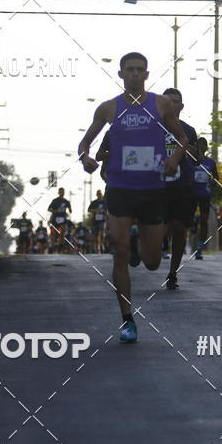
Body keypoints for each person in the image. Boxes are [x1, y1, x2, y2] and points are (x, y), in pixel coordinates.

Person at [78, 52, 188, 342]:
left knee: (152, 262)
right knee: (119, 252)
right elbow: (84, 144)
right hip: (120, 188)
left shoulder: (161, 104)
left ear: (147, 75)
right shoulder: (108, 108)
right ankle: (127, 319)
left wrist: (175, 159)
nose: (135, 74)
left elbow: (183, 139)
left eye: (140, 70)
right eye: (130, 70)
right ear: (121, 74)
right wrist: (87, 159)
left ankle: (143, 243)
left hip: (152, 189)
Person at [160, 88, 198, 289]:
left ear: (182, 106)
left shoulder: (189, 131)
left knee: (179, 229)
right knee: (161, 229)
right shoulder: (153, 127)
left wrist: (191, 152)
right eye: (169, 101)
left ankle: (173, 272)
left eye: (176, 102)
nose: (173, 105)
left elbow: (198, 159)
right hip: (158, 186)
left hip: (183, 186)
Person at [193, 137, 219, 259]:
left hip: (205, 194)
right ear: (196, 147)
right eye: (199, 145)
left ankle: (199, 248)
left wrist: (213, 182)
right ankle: (193, 223)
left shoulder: (211, 163)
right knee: (187, 221)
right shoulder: (190, 160)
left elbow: (217, 179)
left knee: (204, 221)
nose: (201, 148)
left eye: (204, 145)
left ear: (206, 148)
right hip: (191, 194)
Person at [48, 188, 72, 253]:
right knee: (55, 234)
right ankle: (53, 246)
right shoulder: (55, 200)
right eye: (60, 191)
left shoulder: (66, 201)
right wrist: (55, 211)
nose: (62, 193)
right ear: (58, 192)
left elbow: (70, 210)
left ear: (64, 193)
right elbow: (49, 209)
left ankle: (60, 247)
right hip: (55, 218)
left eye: (63, 192)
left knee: (62, 233)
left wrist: (70, 209)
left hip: (63, 218)